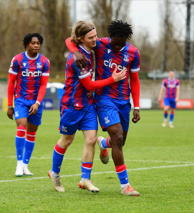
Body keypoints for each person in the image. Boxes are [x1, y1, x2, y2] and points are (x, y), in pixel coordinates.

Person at [48, 21, 126, 193]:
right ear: (81, 39)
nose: (95, 40)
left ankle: (85, 179)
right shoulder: (77, 59)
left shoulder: (88, 50)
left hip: (88, 103)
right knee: (67, 140)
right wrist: (113, 79)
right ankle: (54, 173)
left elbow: (70, 40)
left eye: (96, 35)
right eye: (91, 38)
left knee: (91, 139)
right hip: (72, 105)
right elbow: (89, 85)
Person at [65, 20, 141, 196]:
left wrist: (136, 106)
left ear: (125, 40)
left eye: (119, 43)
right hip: (104, 98)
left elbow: (135, 80)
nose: (115, 46)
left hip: (123, 101)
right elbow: (70, 40)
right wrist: (75, 52)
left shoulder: (133, 53)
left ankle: (103, 143)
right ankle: (125, 186)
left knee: (119, 142)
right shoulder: (101, 43)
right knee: (118, 135)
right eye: (113, 42)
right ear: (110, 37)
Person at [7, 33, 50, 177]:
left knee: (32, 133)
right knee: (21, 127)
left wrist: (37, 103)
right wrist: (9, 105)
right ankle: (19, 164)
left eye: (38, 43)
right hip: (20, 100)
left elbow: (43, 85)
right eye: (33, 43)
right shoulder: (18, 60)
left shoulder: (44, 62)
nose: (36, 45)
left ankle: (25, 165)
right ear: (27, 44)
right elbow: (10, 83)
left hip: (36, 102)